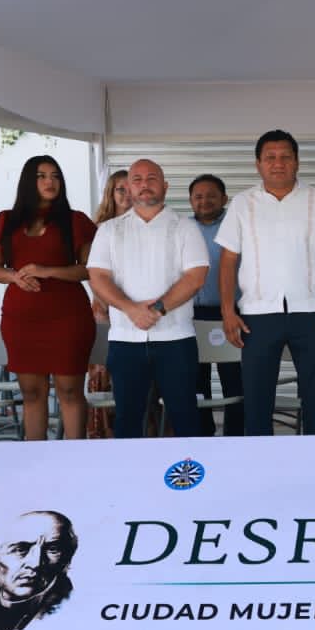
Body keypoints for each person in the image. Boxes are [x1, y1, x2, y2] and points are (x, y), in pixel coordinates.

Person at [216, 130, 315, 436]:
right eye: (270, 158)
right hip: (257, 315)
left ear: (297, 162)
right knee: (258, 398)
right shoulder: (242, 203)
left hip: (313, 313)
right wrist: (228, 311)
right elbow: (227, 261)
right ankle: (262, 467)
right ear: (258, 164)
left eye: (286, 156)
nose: (278, 164)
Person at [86, 159, 209, 439]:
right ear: (128, 187)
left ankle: (187, 479)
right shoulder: (109, 230)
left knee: (185, 416)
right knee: (128, 418)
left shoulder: (185, 227)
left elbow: (195, 277)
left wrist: (157, 309)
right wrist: (131, 309)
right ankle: (131, 480)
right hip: (125, 340)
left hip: (176, 338)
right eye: (137, 179)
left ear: (165, 186)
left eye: (152, 178)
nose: (144, 185)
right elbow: (98, 277)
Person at [0, 155, 97, 440]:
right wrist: (15, 276)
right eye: (42, 176)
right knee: (32, 393)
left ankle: (75, 457)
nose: (50, 182)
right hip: (22, 318)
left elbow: (89, 270)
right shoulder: (5, 220)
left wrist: (46, 271)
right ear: (28, 182)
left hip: (68, 317)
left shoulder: (75, 220)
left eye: (56, 176)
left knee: (70, 391)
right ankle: (37, 460)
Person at [0, 511, 78, 630]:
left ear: (66, 560)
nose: (36, 563)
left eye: (53, 549)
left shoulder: (70, 615)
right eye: (21, 549)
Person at [189, 173, 245, 437]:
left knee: (234, 379)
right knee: (196, 380)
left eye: (211, 195)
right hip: (191, 315)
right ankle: (203, 434)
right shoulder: (182, 228)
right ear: (190, 200)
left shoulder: (235, 227)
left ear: (224, 198)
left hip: (230, 313)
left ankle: (234, 436)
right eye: (198, 196)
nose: (204, 201)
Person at [86, 169, 131, 439]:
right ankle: (104, 435)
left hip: (141, 312)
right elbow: (94, 274)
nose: (126, 195)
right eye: (119, 190)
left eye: (130, 188)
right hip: (106, 310)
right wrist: (110, 305)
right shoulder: (99, 229)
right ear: (110, 194)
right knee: (105, 376)